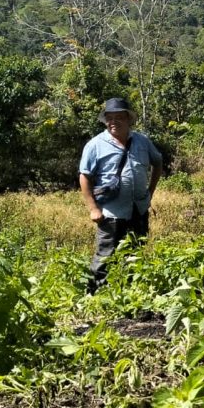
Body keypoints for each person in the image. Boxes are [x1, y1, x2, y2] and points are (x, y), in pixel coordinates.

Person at [79, 98, 163, 293]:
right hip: (110, 212)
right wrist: (93, 209)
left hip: (139, 209)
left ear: (129, 119)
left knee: (135, 253)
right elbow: (84, 177)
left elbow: (157, 162)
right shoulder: (95, 145)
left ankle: (130, 293)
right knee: (105, 256)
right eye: (110, 118)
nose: (114, 122)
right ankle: (94, 296)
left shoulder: (142, 141)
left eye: (119, 117)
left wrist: (149, 194)